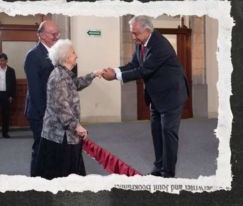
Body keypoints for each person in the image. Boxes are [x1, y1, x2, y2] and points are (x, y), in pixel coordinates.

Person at [102, 15, 189, 178]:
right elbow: (134, 65)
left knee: (168, 134)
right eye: (132, 33)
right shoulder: (141, 43)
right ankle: (158, 169)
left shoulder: (160, 45)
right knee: (156, 133)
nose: (133, 37)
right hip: (156, 96)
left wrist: (115, 77)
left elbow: (144, 71)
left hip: (172, 95)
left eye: (136, 34)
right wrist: (115, 71)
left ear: (148, 31)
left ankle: (168, 175)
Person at [34, 39, 102, 180]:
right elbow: (61, 106)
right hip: (59, 136)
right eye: (73, 53)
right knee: (61, 175)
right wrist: (76, 125)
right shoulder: (59, 77)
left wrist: (93, 74)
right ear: (66, 57)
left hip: (64, 134)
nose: (76, 55)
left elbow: (76, 84)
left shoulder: (64, 74)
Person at [24, 20, 60, 176]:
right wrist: (45, 114)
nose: (57, 37)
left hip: (53, 111)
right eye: (54, 34)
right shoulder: (33, 55)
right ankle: (37, 182)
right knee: (40, 150)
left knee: (51, 150)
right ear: (42, 35)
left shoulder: (55, 53)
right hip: (41, 114)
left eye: (58, 33)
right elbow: (35, 90)